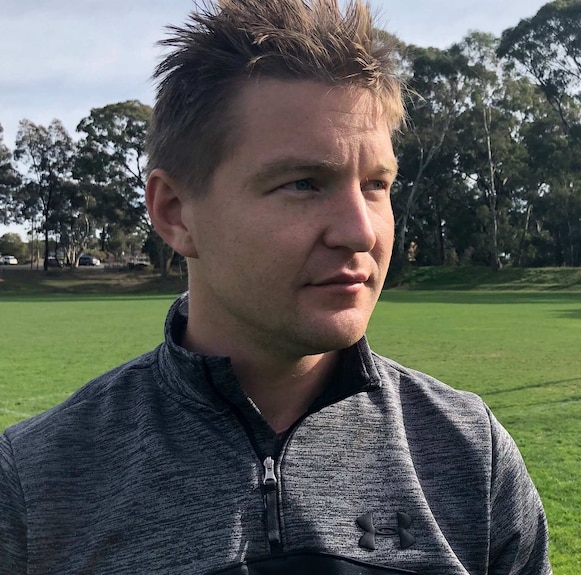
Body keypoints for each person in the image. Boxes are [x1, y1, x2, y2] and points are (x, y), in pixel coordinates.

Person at [0, 1, 551, 573]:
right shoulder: (37, 483)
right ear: (176, 214)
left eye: (376, 184)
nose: (360, 231)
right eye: (304, 183)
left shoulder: (467, 452)